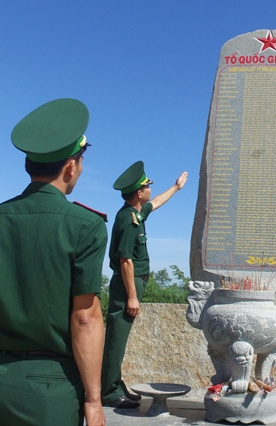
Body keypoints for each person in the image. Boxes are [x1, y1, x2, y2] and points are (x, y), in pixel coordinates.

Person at [0, 99, 107, 426]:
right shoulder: (85, 225)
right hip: (48, 389)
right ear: (71, 167)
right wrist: (94, 399)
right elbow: (85, 317)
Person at [100, 161, 188, 408]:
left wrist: (176, 187)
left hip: (133, 282)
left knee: (120, 337)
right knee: (117, 338)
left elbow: (156, 203)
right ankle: (109, 391)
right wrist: (132, 296)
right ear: (139, 193)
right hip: (127, 284)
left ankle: (115, 384)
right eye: (147, 186)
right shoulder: (128, 220)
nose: (150, 189)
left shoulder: (136, 213)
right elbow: (126, 260)